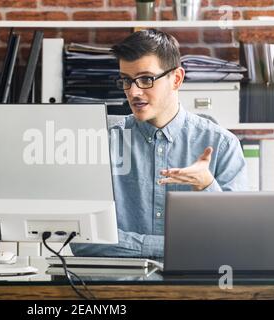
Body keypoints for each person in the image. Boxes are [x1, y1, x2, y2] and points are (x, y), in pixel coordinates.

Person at [71, 29, 248, 258]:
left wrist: (206, 185)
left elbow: (237, 239)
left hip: (192, 288)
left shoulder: (222, 145)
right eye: (126, 80)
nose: (133, 92)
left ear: (176, 79)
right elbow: (82, 240)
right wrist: (167, 248)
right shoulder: (102, 144)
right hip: (118, 288)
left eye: (146, 79)